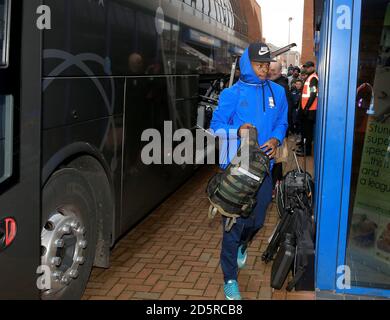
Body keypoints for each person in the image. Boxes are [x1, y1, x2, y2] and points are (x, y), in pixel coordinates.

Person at [210, 43, 288, 300]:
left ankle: (244, 243)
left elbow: (282, 122)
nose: (264, 69)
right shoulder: (231, 94)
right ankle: (230, 278)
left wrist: (276, 138)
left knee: (257, 220)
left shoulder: (278, 92)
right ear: (247, 64)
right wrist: (237, 131)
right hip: (235, 170)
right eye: (259, 64)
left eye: (267, 65)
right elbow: (216, 128)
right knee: (232, 227)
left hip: (263, 169)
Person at [268, 61, 291, 193]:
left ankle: (275, 188)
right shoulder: (276, 84)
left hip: (278, 132)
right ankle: (276, 186)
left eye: (274, 71)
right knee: (277, 161)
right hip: (277, 131)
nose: (270, 72)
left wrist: (283, 132)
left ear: (280, 72)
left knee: (277, 161)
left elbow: (285, 113)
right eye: (269, 69)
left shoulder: (280, 88)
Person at [297, 61, 319, 157]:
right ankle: (304, 147)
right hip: (306, 109)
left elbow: (313, 93)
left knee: (308, 132)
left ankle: (307, 151)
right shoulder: (309, 77)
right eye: (305, 67)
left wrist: (306, 107)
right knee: (305, 130)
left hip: (310, 110)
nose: (306, 69)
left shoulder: (313, 78)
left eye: (308, 67)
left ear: (312, 67)